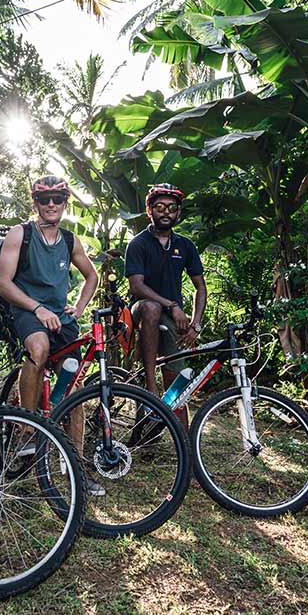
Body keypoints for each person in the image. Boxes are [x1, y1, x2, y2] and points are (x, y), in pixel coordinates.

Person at [0, 175, 103, 495]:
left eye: (58, 198)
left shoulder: (70, 240)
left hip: (61, 318)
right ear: (36, 203)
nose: (52, 204)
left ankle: (77, 466)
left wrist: (79, 309)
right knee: (38, 349)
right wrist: (38, 308)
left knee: (74, 386)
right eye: (45, 199)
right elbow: (3, 283)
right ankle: (27, 433)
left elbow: (91, 276)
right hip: (27, 312)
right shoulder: (21, 234)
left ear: (65, 202)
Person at [124, 184, 207, 430]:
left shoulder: (185, 245)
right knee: (151, 307)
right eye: (159, 207)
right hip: (142, 310)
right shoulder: (138, 244)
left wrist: (196, 324)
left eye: (171, 208)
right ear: (150, 211)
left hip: (173, 317)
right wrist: (171, 305)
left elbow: (200, 287)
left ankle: (183, 440)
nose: (166, 212)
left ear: (178, 213)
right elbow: (137, 286)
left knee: (176, 375)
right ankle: (151, 391)